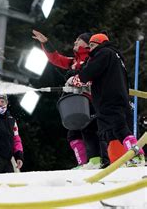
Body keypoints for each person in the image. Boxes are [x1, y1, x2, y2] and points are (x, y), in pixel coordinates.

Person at [32, 30, 106, 169]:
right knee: (73, 133)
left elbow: (93, 78)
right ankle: (83, 163)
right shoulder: (74, 61)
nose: (75, 42)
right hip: (76, 102)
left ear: (88, 43)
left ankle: (95, 161)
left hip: (90, 101)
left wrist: (77, 80)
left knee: (89, 129)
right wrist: (45, 43)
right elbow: (56, 58)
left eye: (79, 39)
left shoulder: (93, 59)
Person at [70, 33, 145, 166]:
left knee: (120, 128)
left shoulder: (104, 53)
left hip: (109, 99)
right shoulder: (115, 57)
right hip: (116, 98)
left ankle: (138, 155)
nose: (90, 49)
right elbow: (104, 75)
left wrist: (77, 80)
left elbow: (90, 71)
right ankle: (119, 161)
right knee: (111, 132)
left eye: (92, 45)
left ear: (100, 43)